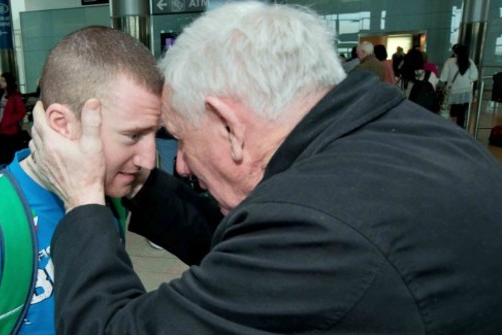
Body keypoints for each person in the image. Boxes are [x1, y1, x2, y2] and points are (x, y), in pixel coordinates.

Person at [29, 2, 502, 334]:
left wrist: (84, 199)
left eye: (182, 139)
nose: (183, 164)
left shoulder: (324, 226)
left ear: (231, 126)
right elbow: (240, 249)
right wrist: (140, 185)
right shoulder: (402, 138)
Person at [0, 26, 162, 335]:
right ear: (62, 125)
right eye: (132, 135)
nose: (149, 159)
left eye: (154, 134)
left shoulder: (108, 197)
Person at [0, 72, 28, 168]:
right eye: (1, 80)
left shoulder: (15, 96)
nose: (0, 82)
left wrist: (9, 121)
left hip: (10, 130)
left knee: (8, 154)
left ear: (9, 82)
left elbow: (21, 111)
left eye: (3, 81)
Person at [440, 43, 479, 127]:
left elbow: (443, 78)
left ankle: (451, 131)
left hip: (452, 91)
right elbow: (474, 77)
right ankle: (460, 132)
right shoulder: (469, 61)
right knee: (461, 116)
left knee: (452, 113)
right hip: (465, 92)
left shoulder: (449, 61)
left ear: (455, 52)